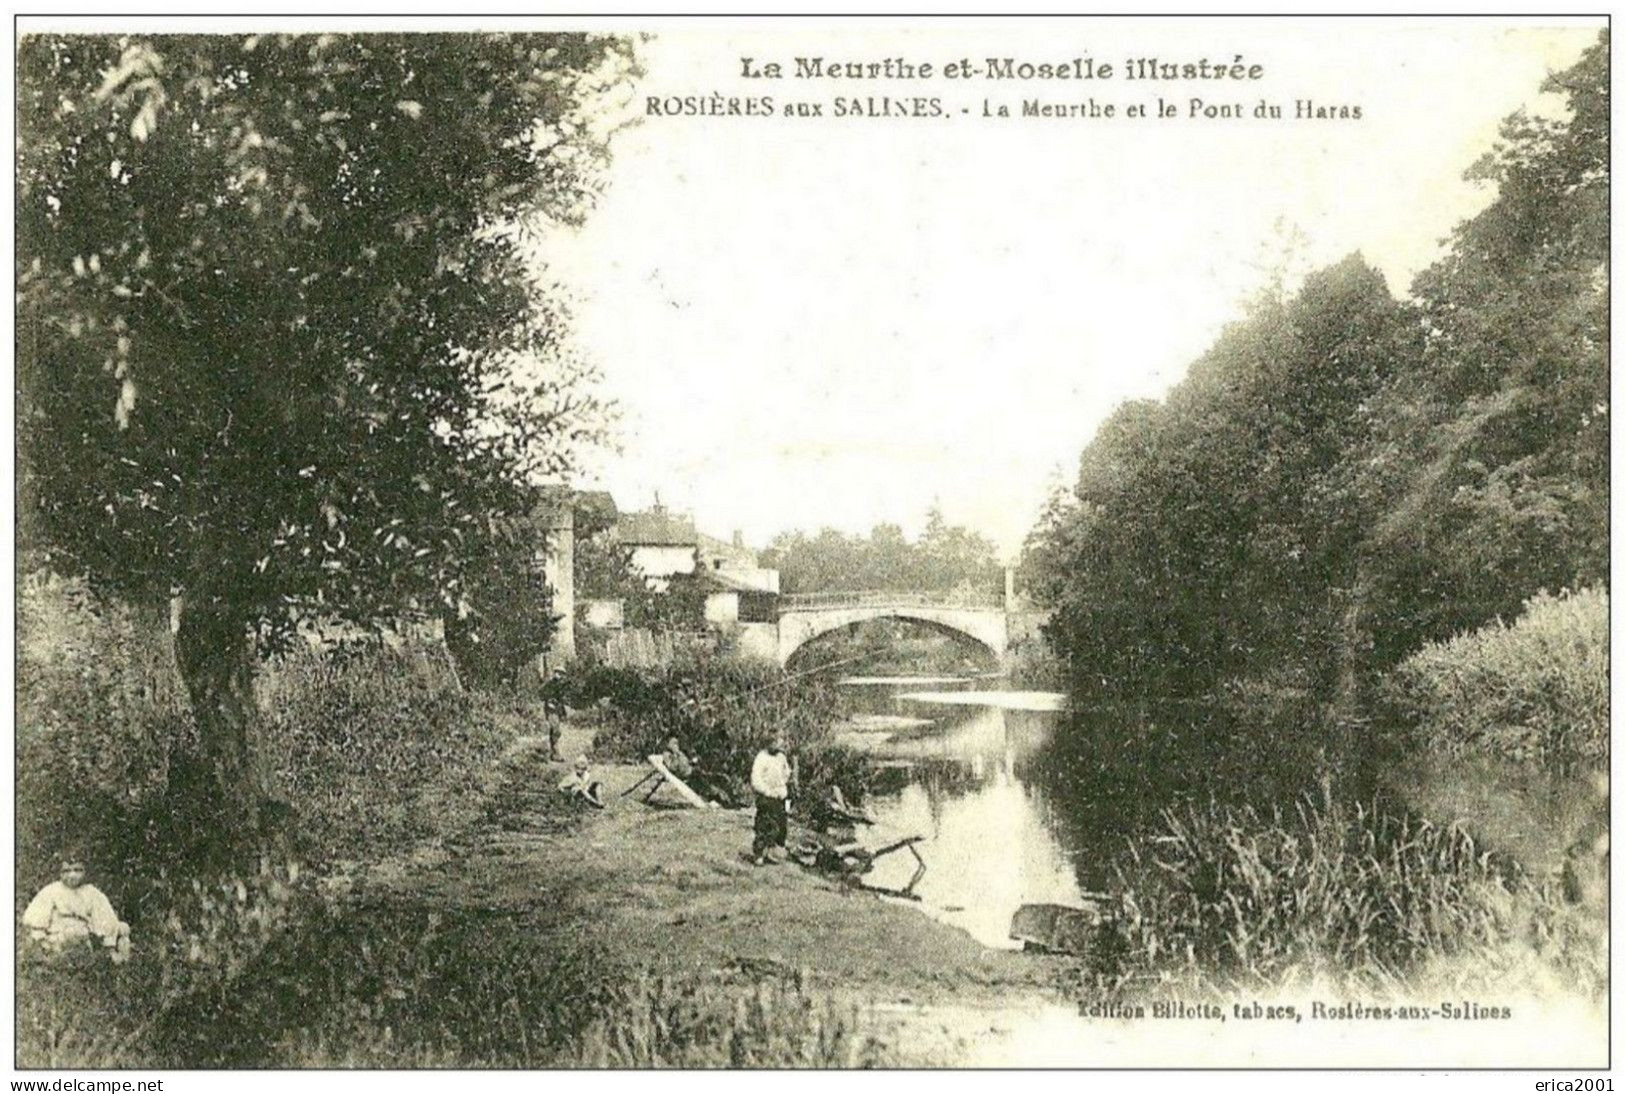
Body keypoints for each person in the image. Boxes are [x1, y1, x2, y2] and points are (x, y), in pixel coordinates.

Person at [22, 853, 131, 963]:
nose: (72, 875)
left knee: (122, 928)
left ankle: (113, 960)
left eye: (77, 870)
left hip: (83, 938)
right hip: (57, 937)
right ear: (60, 873)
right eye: (66, 871)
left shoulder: (91, 892)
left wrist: (109, 945)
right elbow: (36, 919)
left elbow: (104, 917)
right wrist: (40, 941)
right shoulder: (51, 891)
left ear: (85, 872)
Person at [750, 733, 792, 865]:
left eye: (779, 743)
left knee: (781, 825)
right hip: (766, 797)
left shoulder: (781, 757)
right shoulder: (761, 758)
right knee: (764, 824)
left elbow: (786, 773)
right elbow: (756, 779)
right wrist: (767, 791)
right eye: (775, 742)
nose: (778, 745)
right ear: (769, 743)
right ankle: (759, 854)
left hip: (780, 796)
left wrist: (782, 788)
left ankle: (772, 852)